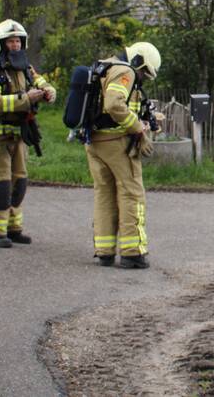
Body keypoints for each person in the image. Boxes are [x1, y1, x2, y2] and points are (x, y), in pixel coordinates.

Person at [0, 19, 57, 247]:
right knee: (0, 185)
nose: (15, 45)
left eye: (18, 41)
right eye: (10, 41)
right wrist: (25, 99)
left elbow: (42, 83)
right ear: (0, 44)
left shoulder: (25, 67)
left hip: (18, 135)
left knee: (18, 182)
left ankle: (13, 228)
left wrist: (49, 92)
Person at [85, 42, 161, 269]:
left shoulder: (105, 66)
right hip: (117, 143)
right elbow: (114, 105)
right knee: (131, 193)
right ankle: (132, 252)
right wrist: (138, 128)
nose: (143, 77)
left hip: (95, 142)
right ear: (138, 60)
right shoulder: (125, 71)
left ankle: (105, 251)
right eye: (144, 72)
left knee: (104, 195)